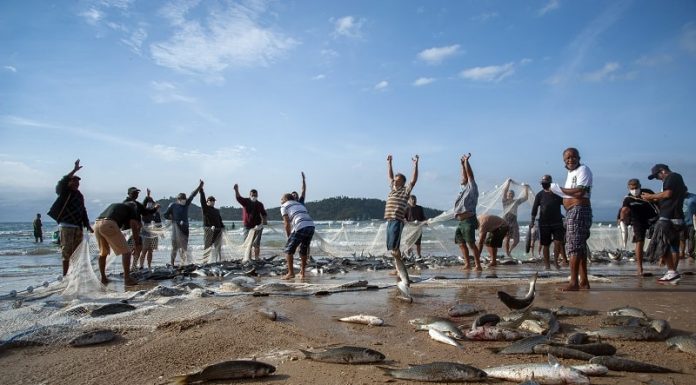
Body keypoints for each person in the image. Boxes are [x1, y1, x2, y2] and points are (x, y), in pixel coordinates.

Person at [553, 148, 593, 291]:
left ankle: (574, 282)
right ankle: (584, 281)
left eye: (573, 157)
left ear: (578, 157)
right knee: (580, 247)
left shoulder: (583, 169)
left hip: (579, 211)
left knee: (574, 246)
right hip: (572, 212)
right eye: (567, 158)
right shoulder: (570, 173)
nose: (570, 160)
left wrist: (559, 189)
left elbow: (580, 191)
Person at [47, 159, 93, 276]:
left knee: (76, 253)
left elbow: (83, 210)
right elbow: (62, 181)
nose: (76, 184)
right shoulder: (64, 192)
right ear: (69, 182)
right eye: (74, 181)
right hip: (66, 226)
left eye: (78, 182)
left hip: (78, 227)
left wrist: (87, 224)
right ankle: (65, 276)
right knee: (66, 252)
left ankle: (74, 275)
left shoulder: (79, 195)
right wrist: (74, 170)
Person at [642, 164, 687, 282]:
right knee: (673, 245)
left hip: (668, 216)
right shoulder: (678, 179)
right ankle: (672, 272)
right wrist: (655, 198)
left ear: (662, 171)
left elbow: (668, 194)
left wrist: (651, 196)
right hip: (676, 216)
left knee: (662, 243)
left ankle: (672, 271)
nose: (657, 178)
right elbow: (673, 195)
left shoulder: (672, 177)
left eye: (657, 176)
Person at [385, 154, 419, 298]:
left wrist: (415, 165)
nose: (394, 181)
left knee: (395, 248)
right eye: (395, 180)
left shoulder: (405, 191)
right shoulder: (392, 189)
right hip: (389, 220)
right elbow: (390, 176)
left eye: (397, 180)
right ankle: (398, 270)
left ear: (402, 182)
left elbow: (414, 180)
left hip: (397, 221)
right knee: (392, 249)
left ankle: (403, 276)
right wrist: (390, 163)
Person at [93, 202, 141, 285]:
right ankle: (127, 279)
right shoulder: (132, 209)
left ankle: (103, 278)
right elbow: (133, 226)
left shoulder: (117, 206)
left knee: (103, 253)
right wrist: (137, 244)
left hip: (97, 224)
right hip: (109, 224)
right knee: (127, 252)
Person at [618, 179, 658, 275]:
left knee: (659, 238)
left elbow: (658, 201)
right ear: (629, 188)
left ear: (640, 186)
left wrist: (651, 198)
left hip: (652, 218)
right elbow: (624, 210)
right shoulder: (627, 198)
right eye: (632, 188)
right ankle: (640, 267)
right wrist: (621, 219)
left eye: (636, 188)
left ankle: (660, 258)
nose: (635, 190)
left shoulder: (647, 192)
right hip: (637, 221)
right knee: (639, 241)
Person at [531, 175, 566, 269]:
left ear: (550, 183)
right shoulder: (539, 195)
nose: (544, 185)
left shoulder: (557, 194)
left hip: (557, 222)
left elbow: (566, 204)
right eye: (543, 183)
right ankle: (547, 265)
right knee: (545, 245)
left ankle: (555, 262)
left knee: (558, 242)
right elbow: (534, 208)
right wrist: (532, 221)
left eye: (546, 183)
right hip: (544, 223)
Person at [163, 181, 202, 266]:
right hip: (175, 229)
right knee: (174, 247)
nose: (183, 200)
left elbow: (193, 195)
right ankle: (172, 264)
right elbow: (165, 215)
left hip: (185, 229)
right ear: (178, 199)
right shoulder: (173, 205)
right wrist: (173, 218)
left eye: (184, 199)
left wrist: (199, 186)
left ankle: (182, 263)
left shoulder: (186, 204)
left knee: (184, 248)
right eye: (182, 199)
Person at [454, 153, 482, 270]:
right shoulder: (464, 189)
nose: (462, 179)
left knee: (471, 243)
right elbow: (464, 176)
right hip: (461, 221)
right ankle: (467, 264)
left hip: (469, 220)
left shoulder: (472, 188)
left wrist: (466, 162)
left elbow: (470, 175)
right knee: (461, 243)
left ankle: (478, 265)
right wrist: (461, 165)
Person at [280, 193, 315, 279]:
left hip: (300, 226)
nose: (281, 201)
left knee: (288, 250)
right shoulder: (299, 204)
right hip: (311, 226)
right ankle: (302, 273)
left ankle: (290, 273)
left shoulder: (284, 206)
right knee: (304, 249)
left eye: (281, 199)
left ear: (286, 199)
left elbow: (287, 223)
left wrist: (289, 236)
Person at [124, 187, 159, 270]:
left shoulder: (136, 204)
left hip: (137, 231)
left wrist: (153, 207)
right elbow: (143, 211)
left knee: (138, 248)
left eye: (137, 193)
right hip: (129, 230)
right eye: (134, 193)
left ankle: (133, 267)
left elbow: (145, 210)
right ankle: (127, 269)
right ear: (128, 194)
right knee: (129, 250)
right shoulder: (126, 203)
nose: (136, 195)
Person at [234, 184, 268, 259]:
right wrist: (236, 190)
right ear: (250, 195)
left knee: (256, 244)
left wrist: (264, 221)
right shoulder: (246, 201)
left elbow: (264, 214)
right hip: (247, 227)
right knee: (247, 244)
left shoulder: (259, 204)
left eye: (255, 195)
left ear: (257, 196)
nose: (254, 197)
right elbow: (238, 198)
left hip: (258, 227)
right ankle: (248, 258)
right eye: (252, 195)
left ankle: (256, 258)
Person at [501, 179, 529, 258]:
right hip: (506, 220)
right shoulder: (505, 201)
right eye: (509, 193)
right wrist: (508, 183)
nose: (510, 194)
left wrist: (526, 188)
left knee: (516, 240)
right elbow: (504, 191)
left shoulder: (516, 201)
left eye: (512, 193)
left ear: (513, 195)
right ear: (507, 195)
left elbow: (526, 198)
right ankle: (507, 254)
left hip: (514, 221)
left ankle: (509, 251)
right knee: (507, 238)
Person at [199, 180, 225, 262]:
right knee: (207, 247)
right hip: (209, 231)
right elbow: (202, 200)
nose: (212, 202)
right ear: (207, 202)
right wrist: (201, 190)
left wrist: (222, 226)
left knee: (218, 247)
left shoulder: (216, 210)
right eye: (211, 200)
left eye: (213, 200)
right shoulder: (205, 209)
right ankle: (204, 262)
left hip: (218, 231)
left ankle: (218, 261)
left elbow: (219, 220)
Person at [138, 195, 162, 270]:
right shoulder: (144, 211)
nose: (150, 204)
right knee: (144, 250)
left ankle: (149, 265)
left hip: (154, 233)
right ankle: (141, 266)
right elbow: (142, 219)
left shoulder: (156, 213)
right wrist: (147, 196)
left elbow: (159, 223)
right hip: (145, 233)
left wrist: (161, 233)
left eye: (151, 203)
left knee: (151, 250)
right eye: (149, 202)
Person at [680, 191, 696, 260]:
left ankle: (690, 253)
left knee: (691, 238)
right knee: (681, 238)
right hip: (681, 222)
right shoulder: (678, 198)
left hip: (692, 222)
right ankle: (682, 253)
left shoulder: (694, 197)